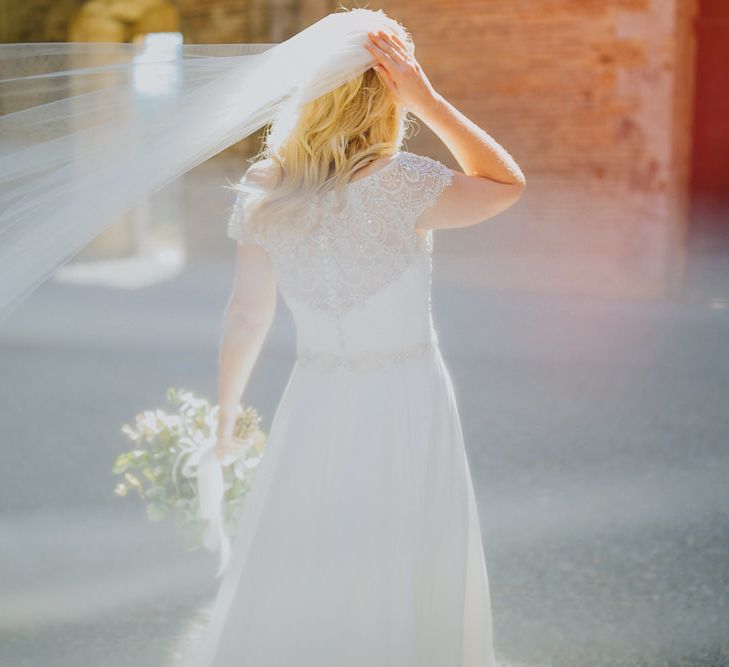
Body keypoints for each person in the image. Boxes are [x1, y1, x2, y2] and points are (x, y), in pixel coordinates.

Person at [196, 23, 525, 667]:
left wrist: (227, 414)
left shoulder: (269, 183)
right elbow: (504, 183)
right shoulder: (405, 181)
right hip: (407, 392)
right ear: (387, 95)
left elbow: (245, 316)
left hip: (316, 394)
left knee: (310, 538)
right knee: (402, 539)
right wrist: (429, 101)